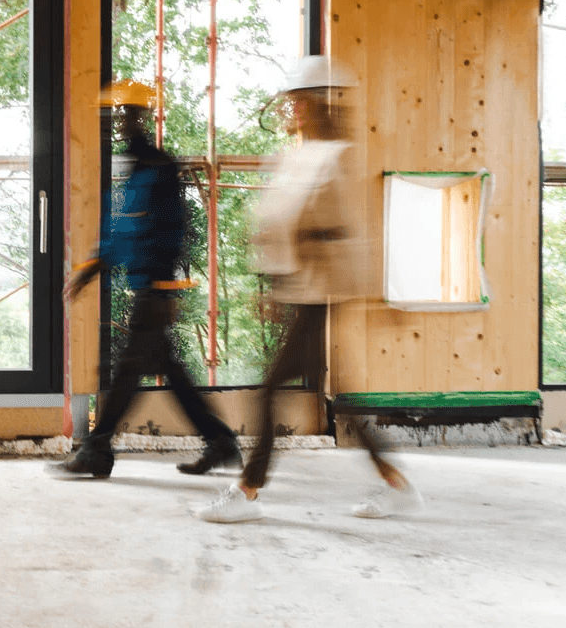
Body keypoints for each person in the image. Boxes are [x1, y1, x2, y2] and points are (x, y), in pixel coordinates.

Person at [196, 56, 422, 523]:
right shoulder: (299, 155)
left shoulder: (334, 156)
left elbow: (338, 229)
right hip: (299, 290)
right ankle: (395, 483)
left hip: (318, 293)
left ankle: (249, 489)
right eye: (292, 101)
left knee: (270, 392)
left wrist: (312, 262)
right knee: (344, 396)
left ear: (325, 102)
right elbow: (281, 221)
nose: (294, 109)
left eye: (301, 100)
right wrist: (275, 279)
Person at [51, 78, 241, 479]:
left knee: (127, 370)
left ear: (142, 116)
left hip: (153, 287)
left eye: (125, 114)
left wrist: (164, 285)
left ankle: (96, 450)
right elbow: (119, 230)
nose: (119, 122)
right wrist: (90, 268)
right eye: (115, 115)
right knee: (168, 370)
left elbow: (175, 231)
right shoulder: (132, 166)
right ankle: (221, 442)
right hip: (142, 284)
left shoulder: (158, 167)